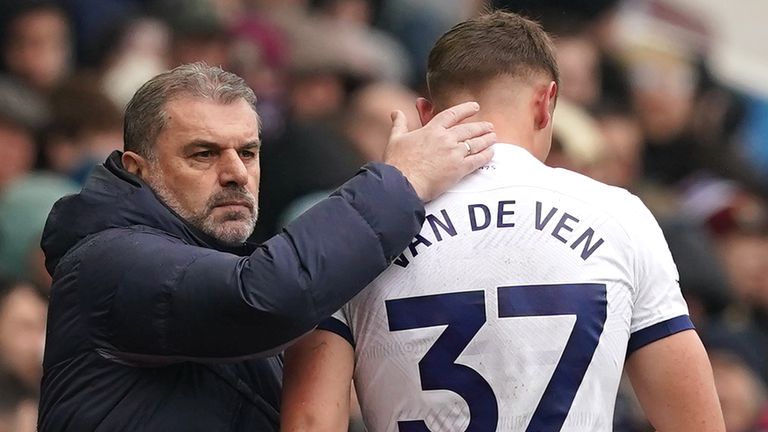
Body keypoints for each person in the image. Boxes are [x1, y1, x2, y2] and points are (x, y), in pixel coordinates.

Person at [281, 11, 725, 432]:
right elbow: (694, 422)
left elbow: (310, 422)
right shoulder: (621, 216)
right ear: (546, 102)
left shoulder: (353, 229)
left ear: (426, 114)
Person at [38, 62, 496, 431]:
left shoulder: (222, 262)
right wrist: (400, 182)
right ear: (138, 170)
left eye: (249, 152)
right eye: (204, 153)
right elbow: (264, 297)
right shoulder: (106, 260)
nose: (237, 172)